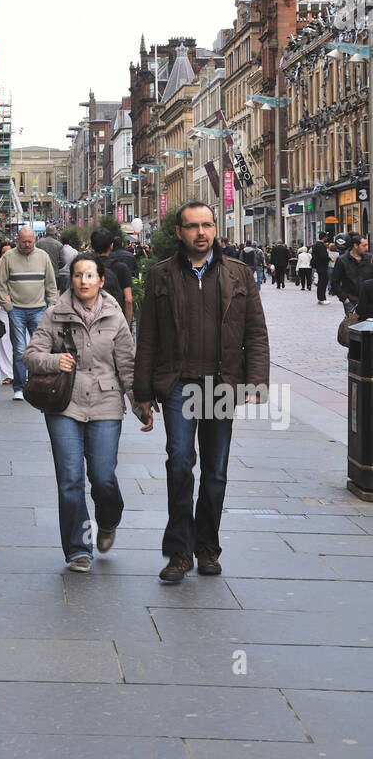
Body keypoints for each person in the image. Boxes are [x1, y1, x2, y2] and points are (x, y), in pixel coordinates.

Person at [133, 201, 270, 584]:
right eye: (192, 226)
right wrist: (142, 394)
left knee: (216, 469)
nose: (201, 232)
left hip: (221, 384)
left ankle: (207, 546)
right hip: (178, 384)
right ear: (179, 232)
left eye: (207, 224)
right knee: (179, 461)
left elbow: (256, 334)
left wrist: (257, 383)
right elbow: (147, 338)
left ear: (215, 228)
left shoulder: (239, 274)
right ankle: (179, 551)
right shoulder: (161, 274)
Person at [23, 252, 148, 571]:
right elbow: (32, 355)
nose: (84, 281)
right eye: (78, 275)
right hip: (64, 403)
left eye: (90, 275)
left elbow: (128, 365)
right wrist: (54, 361)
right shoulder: (55, 314)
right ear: (72, 279)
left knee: (103, 476)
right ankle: (78, 548)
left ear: (101, 280)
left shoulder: (115, 315)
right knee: (70, 480)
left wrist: (139, 403)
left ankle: (108, 520)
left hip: (106, 402)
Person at [0, 226, 58, 401]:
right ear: (18, 241)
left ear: (35, 240)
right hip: (16, 310)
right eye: (24, 241)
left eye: (30, 241)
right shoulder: (9, 257)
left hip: (38, 308)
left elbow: (50, 284)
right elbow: (2, 283)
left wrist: (52, 305)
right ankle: (20, 387)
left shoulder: (43, 257)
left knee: (38, 349)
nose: (27, 244)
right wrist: (7, 305)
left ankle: (34, 383)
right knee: (20, 349)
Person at [90, 229, 132, 328]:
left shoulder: (86, 267)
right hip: (115, 322)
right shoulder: (122, 268)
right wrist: (126, 325)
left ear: (92, 246)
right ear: (111, 246)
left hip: (91, 323)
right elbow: (128, 299)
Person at [331, 235, 373, 316]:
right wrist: (345, 299)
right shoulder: (342, 260)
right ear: (355, 246)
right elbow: (335, 282)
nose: (366, 248)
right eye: (364, 245)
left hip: (369, 301)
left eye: (367, 245)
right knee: (353, 326)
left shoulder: (369, 258)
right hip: (351, 302)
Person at [0, 243, 15, 384]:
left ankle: (20, 372)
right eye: (3, 252)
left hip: (18, 306)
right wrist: (1, 261)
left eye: (9, 252)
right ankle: (7, 373)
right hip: (1, 308)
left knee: (19, 340)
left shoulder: (19, 264)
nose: (6, 254)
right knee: (3, 341)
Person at [311, 233, 331, 305]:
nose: (327, 238)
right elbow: (323, 256)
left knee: (321, 281)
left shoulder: (316, 244)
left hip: (318, 265)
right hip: (322, 265)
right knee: (323, 281)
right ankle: (322, 298)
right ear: (324, 237)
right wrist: (329, 258)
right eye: (326, 237)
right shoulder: (321, 245)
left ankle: (320, 298)